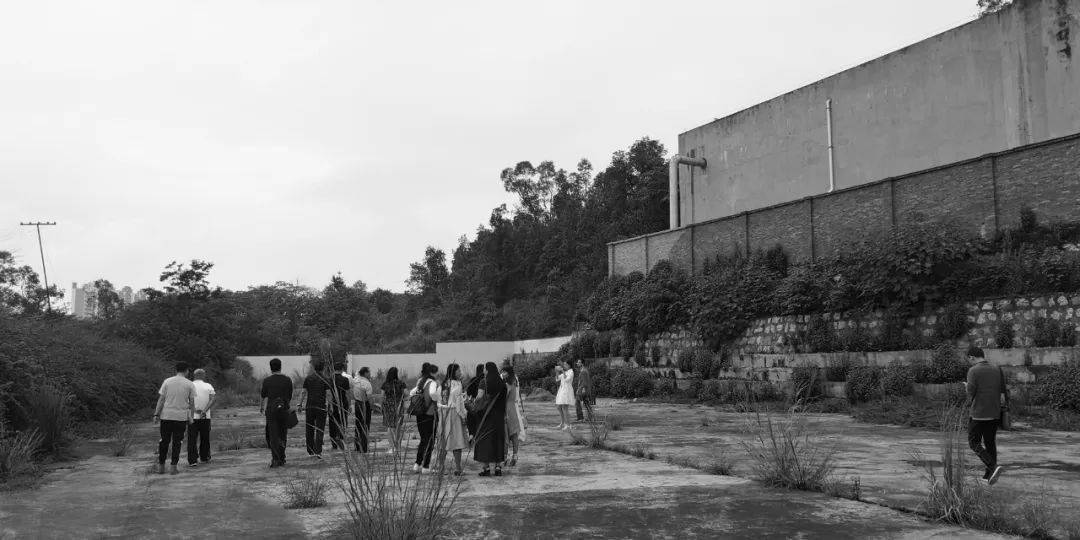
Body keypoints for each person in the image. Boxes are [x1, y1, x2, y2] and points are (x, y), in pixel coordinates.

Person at [966, 346, 1008, 485]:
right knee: (990, 442)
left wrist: (966, 387)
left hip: (979, 412)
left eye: (969, 360)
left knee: (973, 442)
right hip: (994, 412)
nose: (970, 362)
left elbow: (970, 393)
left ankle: (992, 466)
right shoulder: (996, 368)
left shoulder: (973, 370)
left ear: (972, 357)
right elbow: (1003, 391)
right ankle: (989, 476)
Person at [153, 361, 196, 475]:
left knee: (164, 441)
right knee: (177, 442)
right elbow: (192, 403)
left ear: (176, 370)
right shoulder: (190, 384)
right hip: (180, 418)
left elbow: (161, 399)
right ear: (186, 371)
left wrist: (156, 414)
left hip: (166, 416)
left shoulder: (167, 381)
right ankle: (173, 467)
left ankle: (161, 467)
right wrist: (191, 417)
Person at [472, 362, 508, 477]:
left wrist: (473, 402)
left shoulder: (484, 382)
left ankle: (486, 468)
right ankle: (498, 467)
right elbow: (505, 400)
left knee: (485, 440)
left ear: (487, 370)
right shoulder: (502, 383)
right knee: (498, 440)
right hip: (499, 416)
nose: (484, 371)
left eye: (485, 369)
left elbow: (479, 397)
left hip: (486, 416)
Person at [435, 363, 468, 476]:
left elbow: (438, 400)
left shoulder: (442, 384)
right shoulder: (458, 385)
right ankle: (458, 468)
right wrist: (463, 416)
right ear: (454, 372)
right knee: (457, 442)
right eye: (459, 371)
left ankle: (441, 468)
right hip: (454, 414)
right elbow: (459, 405)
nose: (460, 373)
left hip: (443, 414)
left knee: (443, 442)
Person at [260, 358, 294, 468]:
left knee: (273, 435)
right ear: (280, 367)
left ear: (271, 368)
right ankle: (282, 458)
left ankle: (275, 459)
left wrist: (262, 408)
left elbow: (263, 396)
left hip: (271, 411)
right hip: (284, 410)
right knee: (283, 434)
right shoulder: (287, 380)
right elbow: (289, 396)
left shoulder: (267, 381)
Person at [412, 362, 440, 473]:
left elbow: (412, 393)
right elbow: (433, 394)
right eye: (436, 372)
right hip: (430, 414)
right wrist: (438, 398)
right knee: (430, 440)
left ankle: (417, 464)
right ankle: (426, 467)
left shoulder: (420, 381)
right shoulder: (432, 383)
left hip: (420, 414)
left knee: (423, 439)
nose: (437, 374)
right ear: (432, 373)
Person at [299, 360, 330, 458]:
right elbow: (328, 394)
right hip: (321, 407)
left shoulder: (308, 378)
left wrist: (299, 404)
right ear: (323, 368)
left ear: (314, 368)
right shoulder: (325, 379)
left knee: (309, 428)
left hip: (310, 406)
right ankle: (318, 451)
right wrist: (331, 406)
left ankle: (310, 450)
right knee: (320, 429)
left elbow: (303, 392)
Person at [187, 368, 216, 467]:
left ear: (194, 375)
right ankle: (204, 457)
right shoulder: (208, 386)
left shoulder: (189, 385)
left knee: (192, 439)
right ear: (203, 375)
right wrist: (204, 410)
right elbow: (212, 399)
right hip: (205, 416)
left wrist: (194, 410)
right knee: (205, 437)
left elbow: (187, 400)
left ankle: (192, 460)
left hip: (192, 416)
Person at [501, 365, 527, 468]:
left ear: (508, 372)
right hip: (514, 408)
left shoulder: (508, 384)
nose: (502, 374)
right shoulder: (515, 381)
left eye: (504, 372)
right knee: (514, 433)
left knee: (507, 434)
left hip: (507, 409)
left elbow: (504, 398)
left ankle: (505, 457)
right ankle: (515, 456)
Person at [380, 367, 407, 453]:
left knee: (390, 426)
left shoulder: (385, 384)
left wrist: (382, 406)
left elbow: (382, 396)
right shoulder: (401, 383)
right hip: (399, 406)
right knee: (398, 426)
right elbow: (406, 393)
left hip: (388, 406)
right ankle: (397, 446)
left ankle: (392, 447)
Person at [328, 361, 352, 450]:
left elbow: (328, 393)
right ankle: (341, 437)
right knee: (343, 421)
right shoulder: (345, 379)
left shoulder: (330, 379)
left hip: (332, 403)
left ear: (334, 369)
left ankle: (333, 442)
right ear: (342, 369)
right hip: (343, 403)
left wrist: (329, 405)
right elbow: (348, 393)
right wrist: (349, 405)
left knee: (332, 422)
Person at [353, 367, 374, 453]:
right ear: (365, 373)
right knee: (365, 426)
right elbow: (369, 398)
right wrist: (372, 407)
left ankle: (357, 446)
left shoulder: (355, 381)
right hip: (364, 405)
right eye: (369, 372)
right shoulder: (367, 383)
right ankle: (364, 448)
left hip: (357, 404)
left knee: (358, 425)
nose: (370, 374)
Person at [464, 364, 485, 440]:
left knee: (471, 421)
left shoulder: (473, 380)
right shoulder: (485, 380)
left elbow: (468, 392)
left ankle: (471, 436)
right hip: (483, 404)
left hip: (473, 404)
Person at [554, 361, 575, 430]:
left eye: (565, 364)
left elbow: (567, 380)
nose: (564, 365)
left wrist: (562, 371)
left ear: (569, 365)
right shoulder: (565, 372)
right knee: (558, 406)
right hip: (561, 390)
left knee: (565, 407)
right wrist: (557, 371)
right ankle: (562, 423)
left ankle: (568, 425)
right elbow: (557, 379)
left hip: (567, 391)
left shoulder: (571, 372)